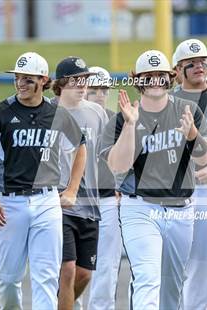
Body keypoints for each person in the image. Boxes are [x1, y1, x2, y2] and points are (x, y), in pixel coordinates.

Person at [0, 52, 86, 310]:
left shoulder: (57, 113)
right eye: (18, 77)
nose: (20, 83)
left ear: (43, 80)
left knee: (45, 277)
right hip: (10, 203)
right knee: (9, 280)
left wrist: (73, 188)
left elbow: (80, 147)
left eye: (27, 78)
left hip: (47, 201)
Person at [99, 49, 207, 310]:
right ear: (137, 80)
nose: (155, 81)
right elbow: (118, 165)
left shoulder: (187, 110)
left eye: (160, 76)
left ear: (170, 78)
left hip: (181, 207)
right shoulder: (122, 119)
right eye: (148, 77)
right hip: (140, 206)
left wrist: (193, 135)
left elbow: (205, 159)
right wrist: (129, 126)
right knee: (148, 278)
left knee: (172, 286)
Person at [171, 38, 207, 310]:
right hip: (172, 190)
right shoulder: (166, 101)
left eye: (203, 61)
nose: (198, 67)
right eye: (190, 63)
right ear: (178, 69)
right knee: (172, 262)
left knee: (205, 262)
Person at [51, 57, 108, 310]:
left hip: (90, 204)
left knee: (85, 274)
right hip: (59, 202)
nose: (82, 85)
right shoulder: (46, 111)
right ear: (62, 83)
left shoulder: (97, 112)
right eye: (76, 80)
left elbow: (106, 154)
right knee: (68, 270)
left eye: (85, 79)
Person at [85, 66, 123, 310]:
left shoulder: (117, 120)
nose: (100, 94)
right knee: (71, 267)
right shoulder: (67, 117)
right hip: (75, 200)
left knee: (107, 267)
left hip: (108, 198)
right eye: (94, 90)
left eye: (104, 89)